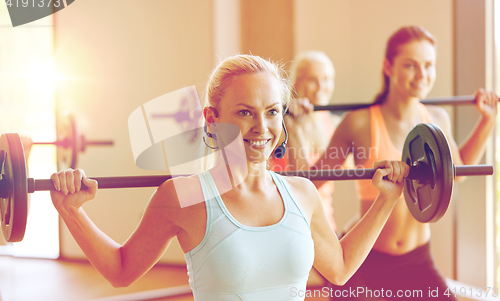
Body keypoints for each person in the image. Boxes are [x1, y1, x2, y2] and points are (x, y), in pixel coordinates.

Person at [50, 54, 410, 300]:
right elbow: (121, 271)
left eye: (272, 112)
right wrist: (71, 212)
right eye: (244, 112)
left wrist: (387, 199)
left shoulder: (301, 193)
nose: (262, 127)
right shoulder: (183, 196)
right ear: (211, 117)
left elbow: (341, 267)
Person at [311, 26, 497, 300]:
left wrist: (488, 121)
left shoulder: (437, 120)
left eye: (428, 65)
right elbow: (313, 181)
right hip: (366, 260)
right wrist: (300, 122)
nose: (422, 75)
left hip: (417, 259)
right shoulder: (359, 122)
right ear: (388, 67)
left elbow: (456, 173)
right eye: (411, 65)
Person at [271, 50, 340, 231]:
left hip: (323, 223)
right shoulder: (279, 124)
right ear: (296, 83)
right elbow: (302, 183)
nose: (321, 86)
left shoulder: (334, 123)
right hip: (286, 223)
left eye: (326, 79)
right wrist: (291, 124)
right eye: (312, 79)